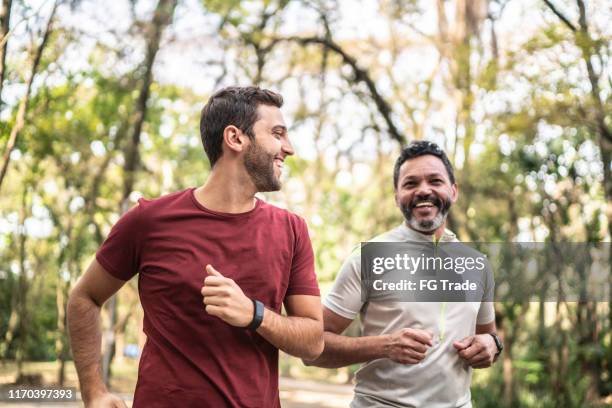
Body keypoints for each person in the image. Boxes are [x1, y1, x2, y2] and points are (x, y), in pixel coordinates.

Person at [67, 86, 324, 408]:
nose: (289, 148)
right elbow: (84, 297)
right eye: (277, 133)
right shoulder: (149, 220)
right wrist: (93, 392)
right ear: (235, 138)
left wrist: (254, 314)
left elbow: (313, 342)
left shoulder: (291, 230)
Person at [305, 141, 502, 408]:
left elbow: (489, 336)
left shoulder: (477, 265)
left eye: (435, 180)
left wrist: (492, 345)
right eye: (410, 184)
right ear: (397, 196)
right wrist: (383, 346)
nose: (423, 190)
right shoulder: (368, 257)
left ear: (453, 191)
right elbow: (312, 348)